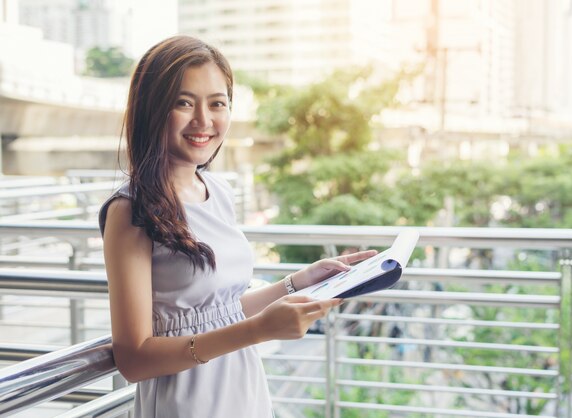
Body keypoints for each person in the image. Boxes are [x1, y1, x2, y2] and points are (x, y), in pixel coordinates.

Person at [99, 35, 376, 418]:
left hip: (242, 390)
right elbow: (133, 358)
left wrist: (299, 282)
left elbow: (219, 311)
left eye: (217, 103)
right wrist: (259, 331)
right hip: (186, 404)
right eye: (183, 103)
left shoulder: (217, 190)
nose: (204, 120)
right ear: (152, 108)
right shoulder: (130, 210)